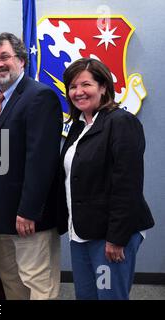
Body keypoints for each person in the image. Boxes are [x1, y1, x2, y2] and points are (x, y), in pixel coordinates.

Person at [58, 57, 154, 300]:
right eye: (72, 87)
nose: (78, 92)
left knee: (109, 296)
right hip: (80, 234)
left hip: (109, 237)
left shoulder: (121, 122)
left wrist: (116, 239)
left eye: (86, 85)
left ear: (103, 87)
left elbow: (127, 186)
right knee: (87, 296)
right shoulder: (78, 126)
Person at [0, 32, 63, 300]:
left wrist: (28, 211)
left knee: (38, 283)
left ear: (21, 60)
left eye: (4, 56)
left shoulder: (40, 97)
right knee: (12, 282)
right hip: (0, 214)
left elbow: (41, 160)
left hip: (28, 217)